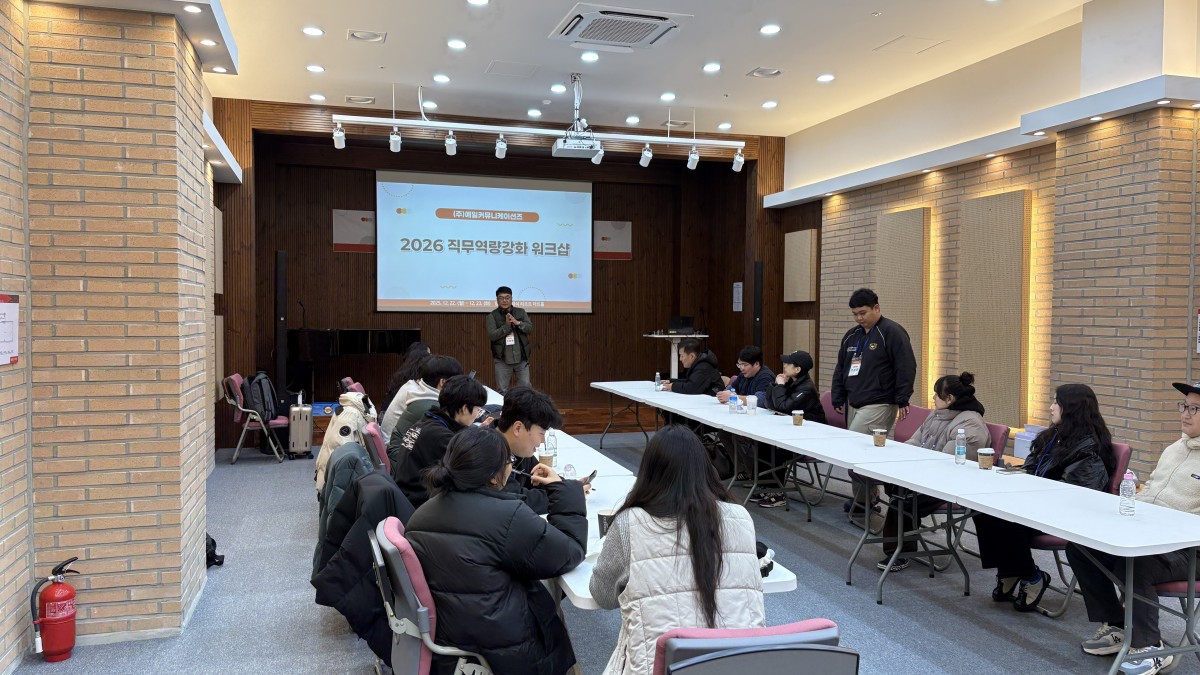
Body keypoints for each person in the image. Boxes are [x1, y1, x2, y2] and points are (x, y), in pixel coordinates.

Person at [405, 426, 586, 675]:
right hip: (504, 648)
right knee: (550, 594)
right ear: (493, 477)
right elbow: (569, 552)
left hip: (452, 637)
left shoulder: (421, 513)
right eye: (509, 461)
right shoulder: (506, 516)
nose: (511, 467)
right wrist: (563, 489)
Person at [590, 425, 765, 675]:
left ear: (649, 473)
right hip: (738, 665)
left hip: (660, 667)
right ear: (705, 469)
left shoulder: (630, 523)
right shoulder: (741, 517)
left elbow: (602, 596)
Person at [1068, 381, 1200, 675]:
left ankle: (1150, 646)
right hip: (1150, 533)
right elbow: (1151, 488)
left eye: (1195, 409)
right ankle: (1118, 625)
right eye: (1184, 406)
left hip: (1190, 549)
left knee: (1137, 563)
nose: (1185, 413)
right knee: (1081, 548)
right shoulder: (1175, 448)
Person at [974, 383, 1114, 612]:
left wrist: (1028, 494)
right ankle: (1009, 571)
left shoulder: (1089, 449)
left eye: (1056, 403)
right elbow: (1031, 468)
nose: (1051, 407)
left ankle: (1032, 577)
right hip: (1039, 503)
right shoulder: (1053, 436)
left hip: (1066, 514)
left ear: (1072, 408)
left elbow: (1075, 495)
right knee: (983, 509)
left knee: (1005, 518)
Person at [878, 372, 991, 572]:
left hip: (951, 484)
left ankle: (900, 553)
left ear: (950, 399)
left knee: (902, 499)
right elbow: (915, 440)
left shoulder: (970, 425)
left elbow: (948, 465)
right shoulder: (937, 414)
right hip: (926, 475)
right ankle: (902, 543)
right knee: (892, 482)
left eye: (937, 394)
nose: (933, 398)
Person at [831, 288, 917, 513]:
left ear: (876, 308)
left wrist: (903, 398)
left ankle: (865, 502)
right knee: (862, 452)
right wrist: (838, 396)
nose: (859, 318)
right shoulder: (852, 335)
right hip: (854, 401)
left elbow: (906, 366)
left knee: (854, 448)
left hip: (881, 402)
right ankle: (866, 499)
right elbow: (841, 368)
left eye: (863, 313)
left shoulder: (892, 332)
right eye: (855, 314)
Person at [391, 374, 488, 507]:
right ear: (464, 409)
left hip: (407, 497)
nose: (477, 415)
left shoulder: (428, 421)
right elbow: (469, 476)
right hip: (419, 505)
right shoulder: (442, 437)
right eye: (478, 410)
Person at [751, 350, 827, 508]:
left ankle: (778, 493)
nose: (784, 366)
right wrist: (775, 385)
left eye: (788, 364)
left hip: (812, 436)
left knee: (777, 449)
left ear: (798, 369)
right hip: (794, 431)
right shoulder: (792, 382)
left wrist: (779, 386)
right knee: (763, 443)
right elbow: (770, 404)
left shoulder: (806, 389)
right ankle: (766, 486)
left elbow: (784, 407)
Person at [494, 386, 572, 515]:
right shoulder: (487, 452)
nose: (543, 441)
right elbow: (516, 499)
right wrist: (565, 496)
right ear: (518, 428)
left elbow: (538, 478)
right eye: (541, 434)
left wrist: (568, 486)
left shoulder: (517, 448)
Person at [385, 355, 463, 463]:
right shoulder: (430, 406)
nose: (460, 386)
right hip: (401, 462)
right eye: (458, 382)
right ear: (443, 382)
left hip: (398, 455)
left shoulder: (419, 392)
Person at [715, 346, 774, 483]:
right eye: (739, 365)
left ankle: (752, 472)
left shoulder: (765, 377)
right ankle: (741, 470)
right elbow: (731, 388)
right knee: (724, 433)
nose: (741, 368)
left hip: (762, 422)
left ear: (756, 364)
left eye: (744, 365)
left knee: (738, 435)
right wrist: (725, 393)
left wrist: (733, 397)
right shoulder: (743, 375)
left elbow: (760, 401)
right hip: (745, 418)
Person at [487, 285, 532, 394]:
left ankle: (523, 405)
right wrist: (507, 326)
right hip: (502, 359)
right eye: (501, 298)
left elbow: (530, 329)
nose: (504, 301)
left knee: (525, 388)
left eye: (507, 298)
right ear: (497, 300)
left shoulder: (521, 312)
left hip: (521, 358)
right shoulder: (492, 316)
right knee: (502, 390)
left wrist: (518, 323)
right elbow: (492, 335)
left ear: (512, 299)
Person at [382, 341, 431, 416]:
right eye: (429, 355)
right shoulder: (416, 381)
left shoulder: (401, 375)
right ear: (422, 358)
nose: (432, 359)